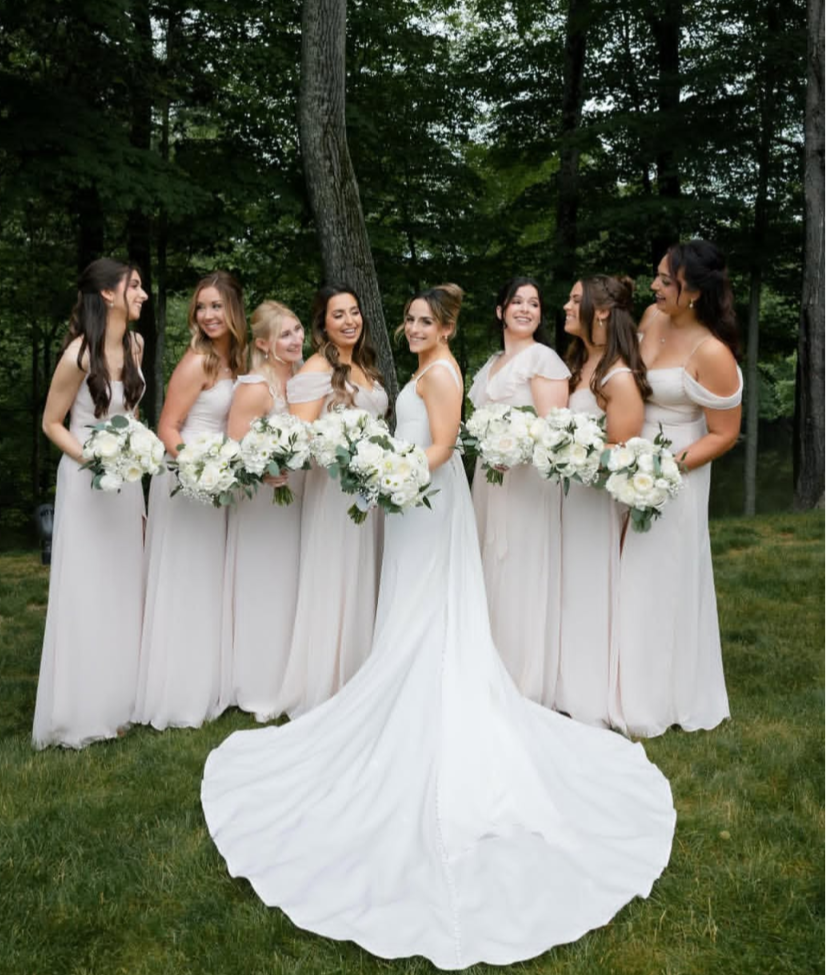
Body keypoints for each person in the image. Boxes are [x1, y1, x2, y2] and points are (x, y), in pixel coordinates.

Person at [201, 283, 676, 971]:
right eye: (411, 319)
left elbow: (445, 445)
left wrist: (391, 471)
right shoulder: (426, 368)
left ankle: (430, 697)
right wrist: (390, 473)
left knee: (429, 607)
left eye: (427, 320)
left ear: (447, 327)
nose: (416, 327)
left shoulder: (444, 373)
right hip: (411, 500)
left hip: (424, 495)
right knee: (408, 605)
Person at [613, 240, 743, 737]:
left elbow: (724, 434)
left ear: (694, 291)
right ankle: (617, 683)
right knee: (621, 569)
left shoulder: (712, 352)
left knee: (659, 576)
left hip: (677, 469)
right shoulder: (651, 318)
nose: (655, 286)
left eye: (666, 281)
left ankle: (662, 693)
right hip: (629, 457)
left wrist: (666, 468)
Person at [33, 258, 148, 749]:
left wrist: (133, 453)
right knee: (88, 585)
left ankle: (123, 700)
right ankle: (81, 706)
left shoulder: (136, 344)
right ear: (107, 294)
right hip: (86, 480)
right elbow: (51, 423)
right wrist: (95, 460)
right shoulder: (79, 353)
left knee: (125, 582)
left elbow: (131, 415)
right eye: (134, 286)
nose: (142, 294)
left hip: (127, 481)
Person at [134, 272, 246, 731]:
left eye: (216, 306)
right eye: (201, 307)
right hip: (186, 479)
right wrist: (197, 469)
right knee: (186, 579)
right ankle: (176, 692)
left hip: (218, 483)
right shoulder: (198, 361)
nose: (208, 315)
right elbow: (167, 426)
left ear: (234, 309)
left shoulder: (239, 361)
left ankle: (210, 682)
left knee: (210, 581)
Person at [270, 283, 388, 718]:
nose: (350, 321)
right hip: (335, 492)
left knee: (367, 574)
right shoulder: (318, 368)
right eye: (338, 314)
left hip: (372, 490)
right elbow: (298, 437)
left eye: (354, 312)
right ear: (323, 323)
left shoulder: (365, 363)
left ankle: (365, 671)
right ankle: (331, 678)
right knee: (338, 576)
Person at [469, 277, 569, 706]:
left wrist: (516, 452)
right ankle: (487, 666)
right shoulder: (492, 363)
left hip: (527, 481)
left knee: (520, 568)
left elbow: (555, 430)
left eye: (534, 303)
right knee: (489, 563)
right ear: (500, 311)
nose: (526, 309)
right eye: (517, 302)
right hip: (489, 479)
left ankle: (524, 678)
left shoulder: (543, 359)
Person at [556, 276, 650, 728]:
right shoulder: (578, 364)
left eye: (576, 299)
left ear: (603, 312)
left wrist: (571, 452)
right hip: (566, 496)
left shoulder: (619, 377)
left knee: (587, 588)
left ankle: (588, 690)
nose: (566, 305)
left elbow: (622, 451)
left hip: (593, 504)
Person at [221, 301, 306, 720]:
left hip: (297, 497)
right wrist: (264, 470)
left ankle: (292, 675)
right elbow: (234, 450)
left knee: (292, 584)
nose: (296, 339)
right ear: (262, 344)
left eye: (298, 330)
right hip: (262, 503)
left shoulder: (302, 379)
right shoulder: (256, 388)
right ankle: (258, 682)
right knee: (265, 584)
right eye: (285, 334)